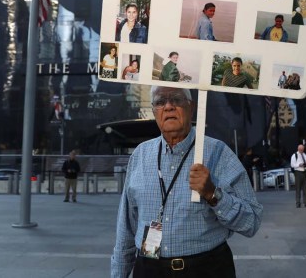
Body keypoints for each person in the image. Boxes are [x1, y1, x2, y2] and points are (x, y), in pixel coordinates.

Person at [111, 86, 262, 277]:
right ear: (154, 111)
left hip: (206, 269)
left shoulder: (218, 153)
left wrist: (213, 194)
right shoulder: (141, 155)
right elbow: (126, 227)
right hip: (149, 269)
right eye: (160, 102)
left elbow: (251, 222)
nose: (168, 106)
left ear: (192, 108)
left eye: (176, 99)